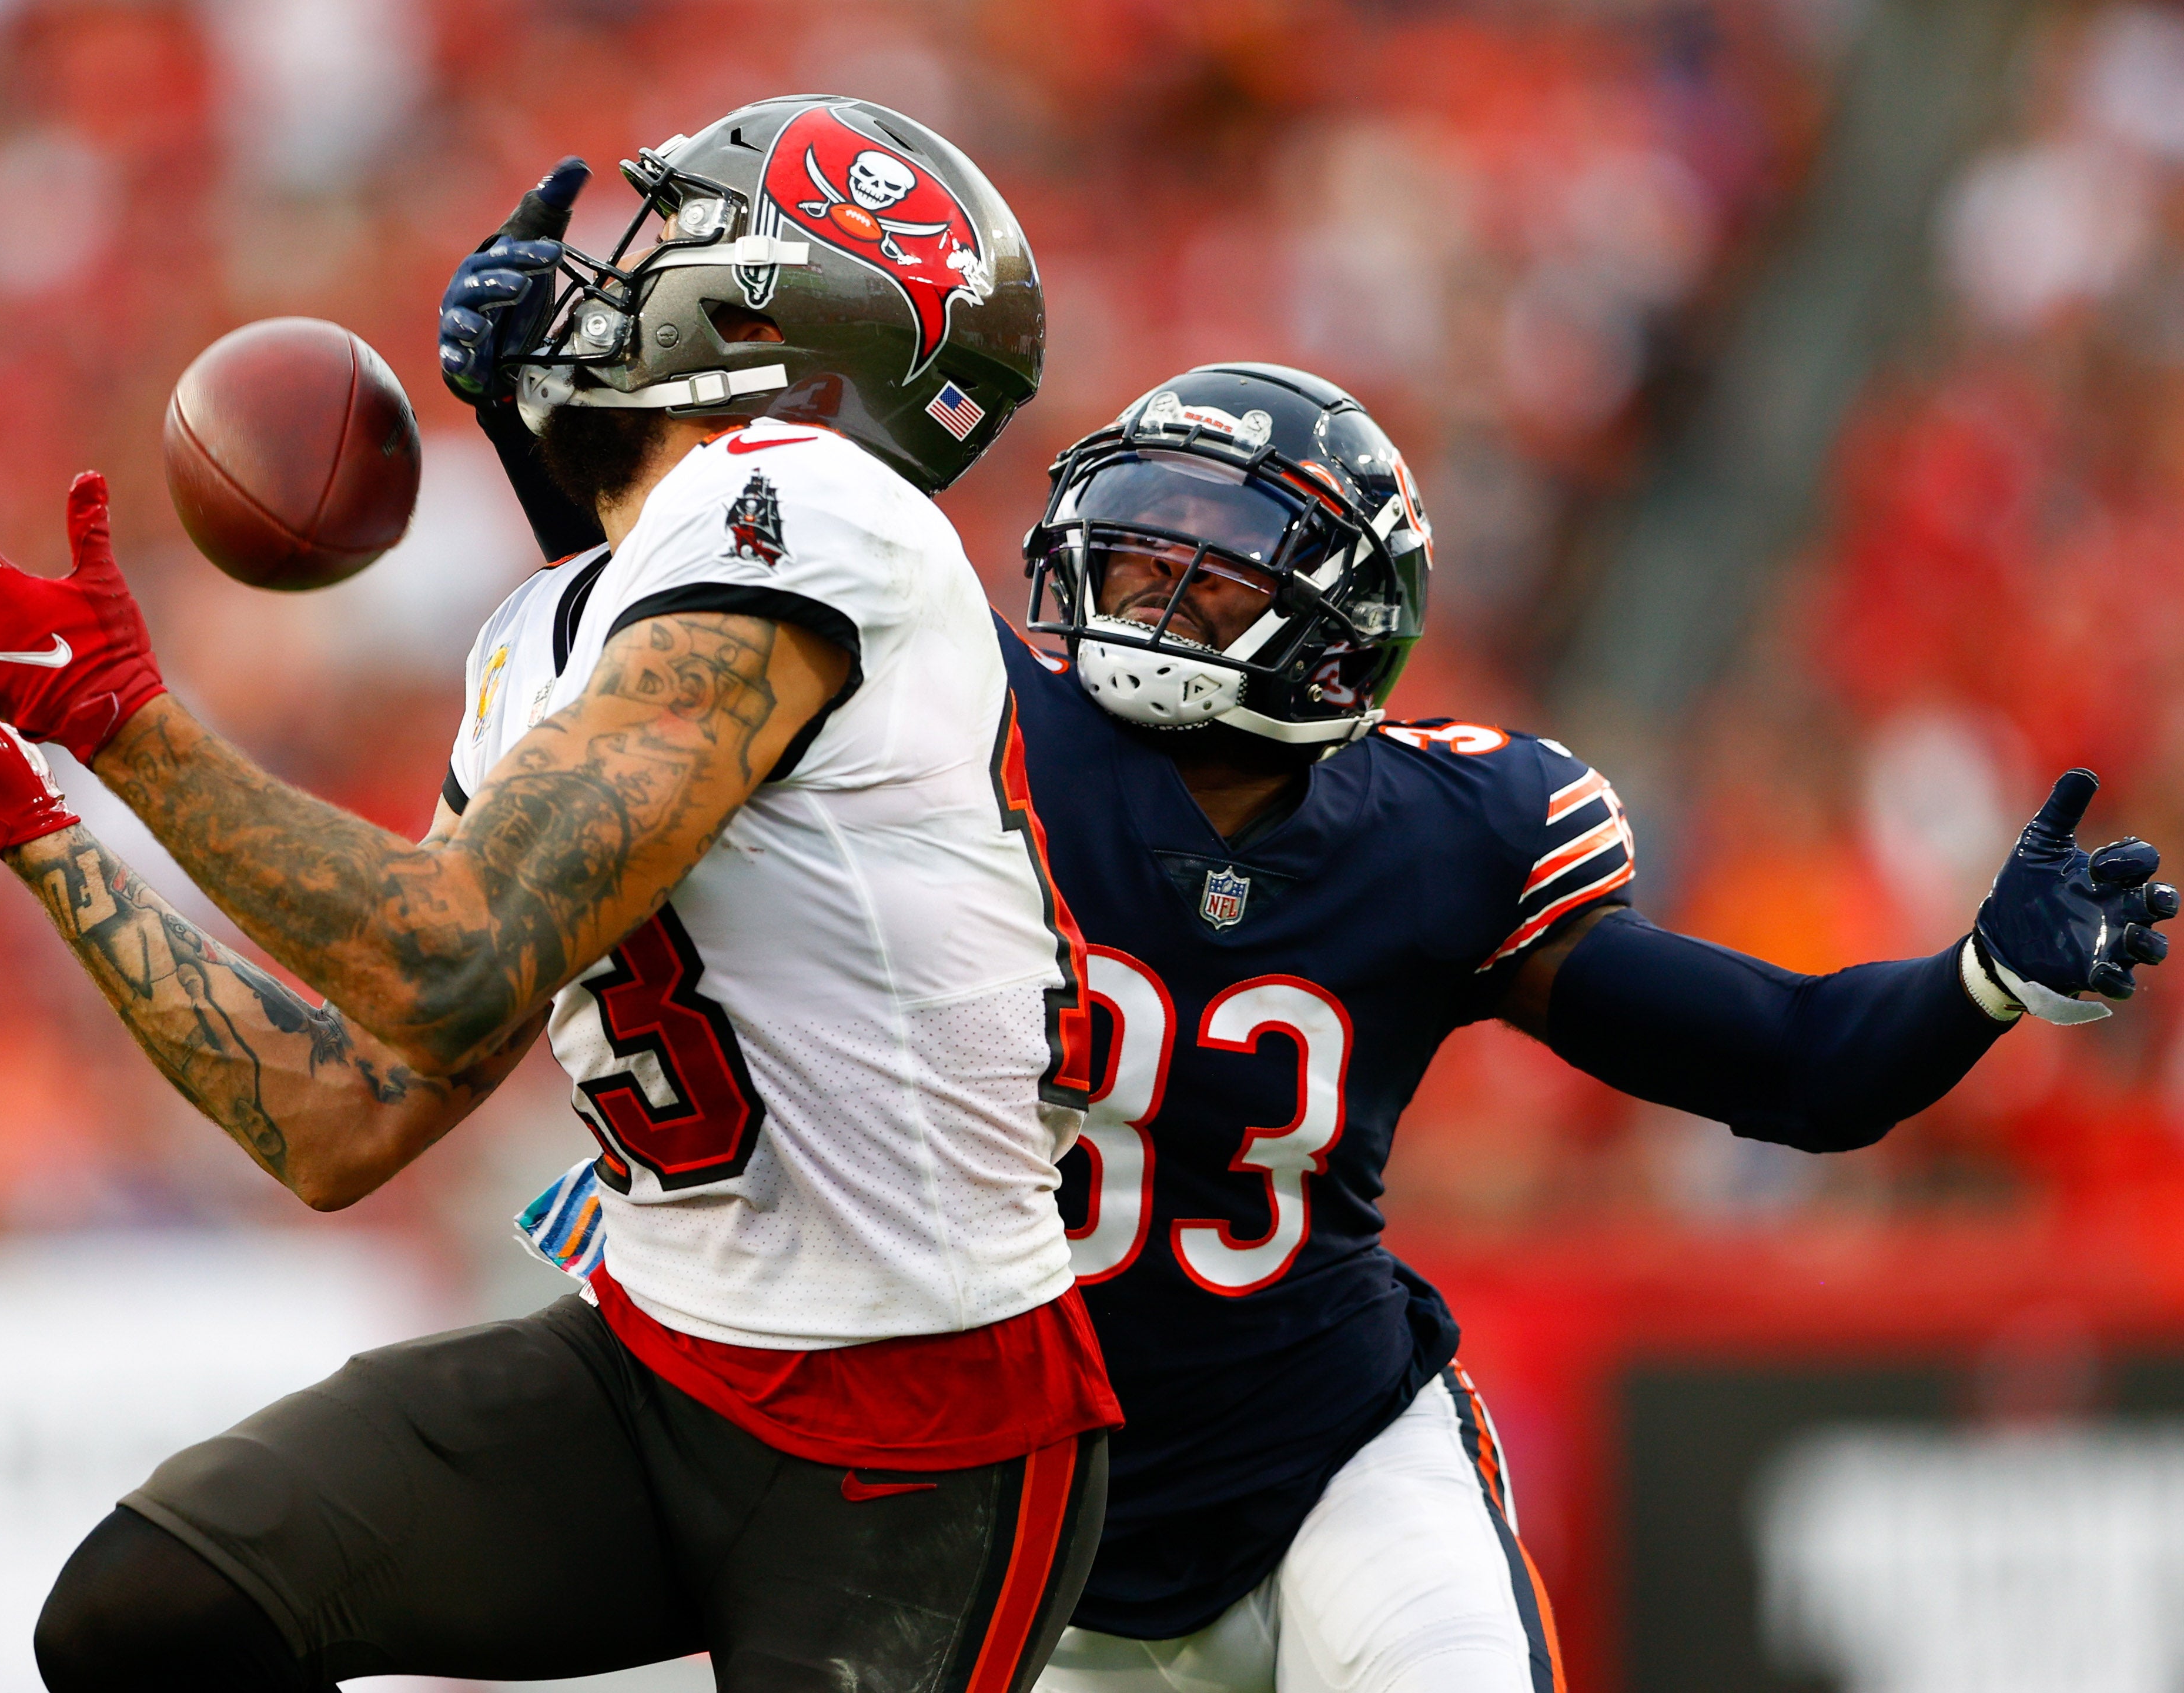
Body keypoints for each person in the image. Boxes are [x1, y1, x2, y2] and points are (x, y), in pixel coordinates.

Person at [450, 204, 2180, 1689]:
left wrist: (1983, 984)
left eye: (1212, 565)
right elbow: (677, 648)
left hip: (1329, 1460)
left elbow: (1793, 1070)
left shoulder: (1451, 838)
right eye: (1140, 536)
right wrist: (555, 418)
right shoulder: (962, 728)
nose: (1148, 583)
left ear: (1344, 617)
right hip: (1002, 1491)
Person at [0, 99, 1122, 1693]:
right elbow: (340, 1121)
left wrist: (120, 728)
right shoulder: (555, 629)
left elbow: (448, 962)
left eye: (668, 246)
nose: (608, 281)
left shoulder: (816, 505)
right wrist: (40, 821)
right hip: (661, 1367)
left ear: (766, 316)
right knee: (153, 1608)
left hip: (926, 1438)